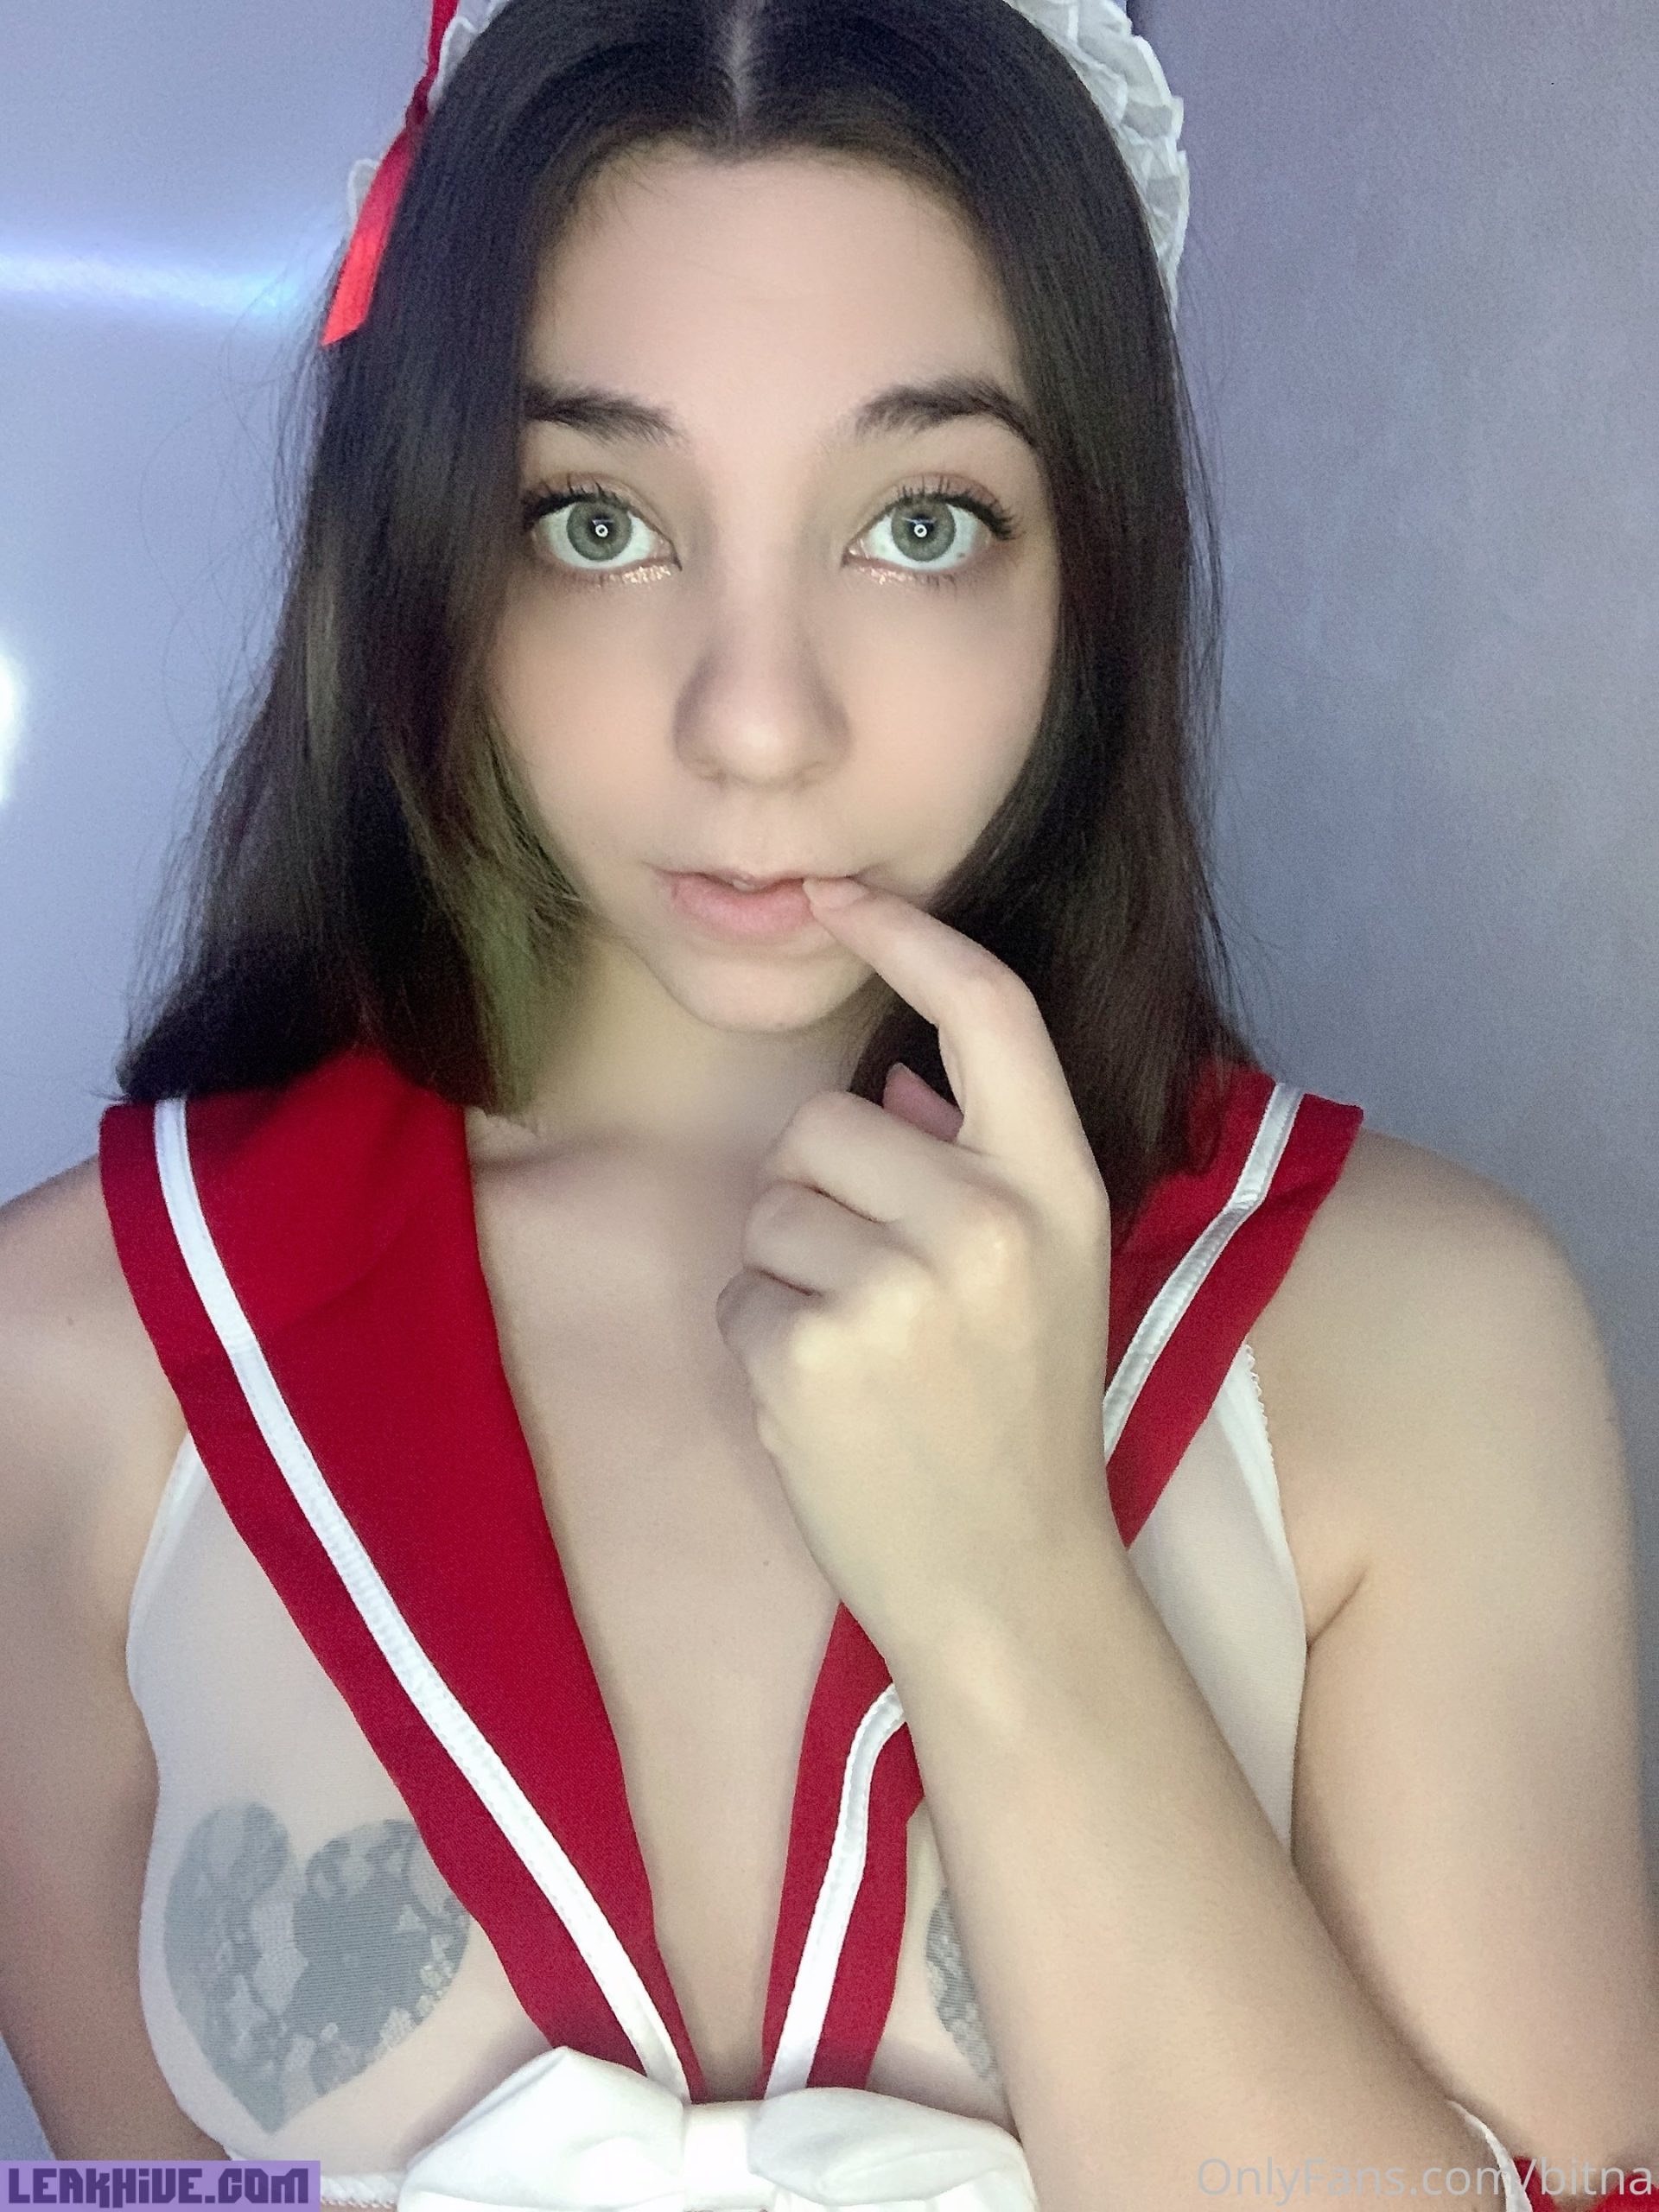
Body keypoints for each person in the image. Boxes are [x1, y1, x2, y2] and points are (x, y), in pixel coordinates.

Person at [1, 1, 1655, 2205]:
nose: (758, 721)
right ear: (425, 549)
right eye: (597, 519)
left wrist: (1011, 1581)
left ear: (1093, 562)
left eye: (921, 521)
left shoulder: (1417, 1336)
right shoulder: (75, 1361)